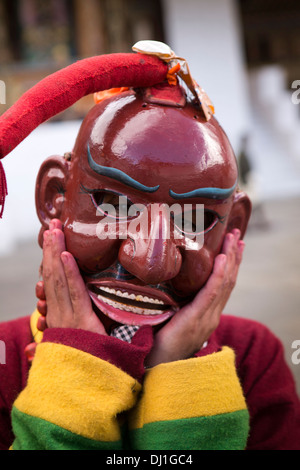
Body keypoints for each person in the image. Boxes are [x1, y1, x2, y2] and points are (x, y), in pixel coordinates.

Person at [0, 41, 299, 451]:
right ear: (53, 196)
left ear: (235, 229)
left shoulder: (254, 357)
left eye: (193, 220)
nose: (150, 261)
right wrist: (78, 368)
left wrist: (178, 369)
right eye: (115, 204)